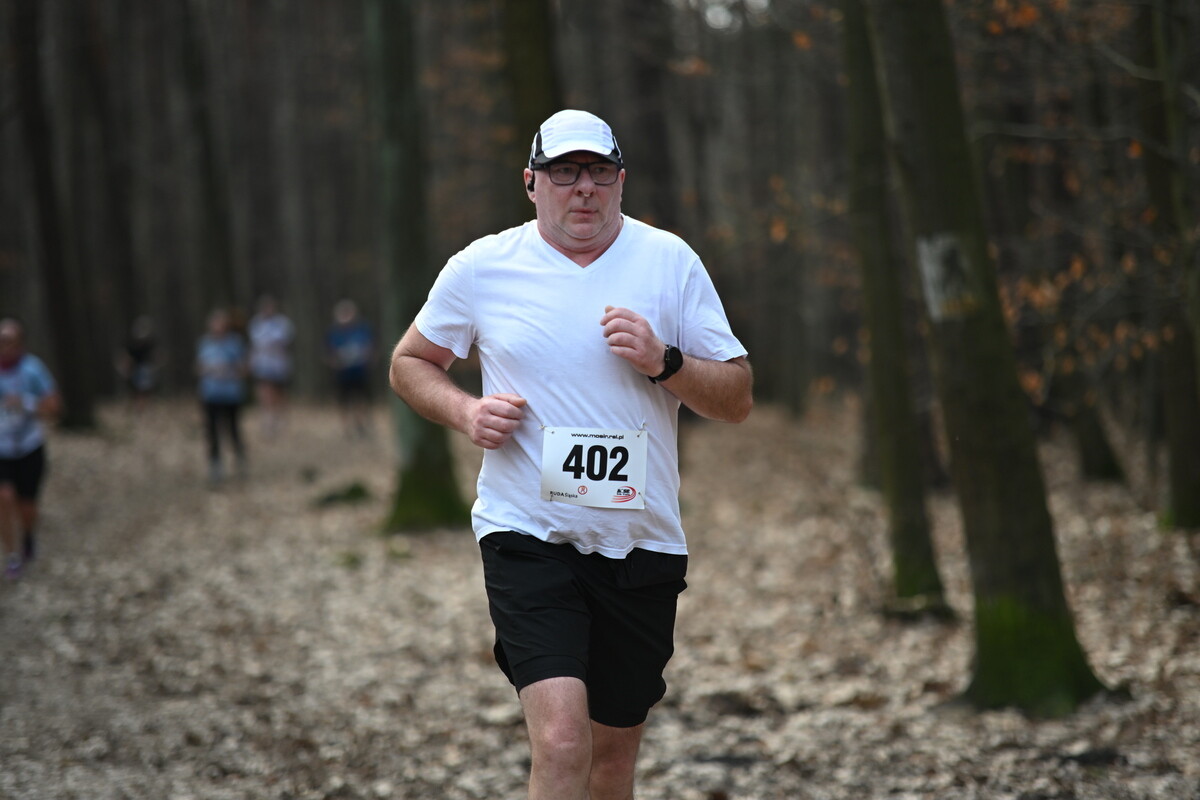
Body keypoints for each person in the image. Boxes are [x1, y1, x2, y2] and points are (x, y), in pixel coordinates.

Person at [389, 109, 752, 800]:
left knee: (610, 763)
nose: (583, 187)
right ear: (531, 183)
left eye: (598, 171)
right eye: (564, 172)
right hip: (527, 534)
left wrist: (666, 361)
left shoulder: (669, 261)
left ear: (622, 181)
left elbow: (736, 398)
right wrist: (466, 412)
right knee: (561, 742)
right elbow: (409, 362)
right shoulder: (483, 266)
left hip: (641, 542)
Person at [0, 318, 61, 579]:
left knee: (27, 506)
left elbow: (54, 407)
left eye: (9, 341)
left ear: (20, 344)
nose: (4, 346)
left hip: (29, 446)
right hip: (1, 449)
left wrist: (25, 403)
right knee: (4, 498)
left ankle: (27, 536)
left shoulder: (33, 369)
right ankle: (12, 556)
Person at [196, 308, 248, 486]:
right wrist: (209, 369)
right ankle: (215, 465)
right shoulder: (204, 343)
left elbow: (244, 368)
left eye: (221, 323)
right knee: (212, 432)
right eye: (215, 323)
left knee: (233, 429)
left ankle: (240, 459)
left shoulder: (235, 343)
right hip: (210, 394)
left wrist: (229, 369)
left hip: (231, 394)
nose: (217, 327)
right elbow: (199, 367)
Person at [324, 299, 375, 437]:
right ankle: (346, 428)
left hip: (359, 371)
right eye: (343, 314)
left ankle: (360, 424)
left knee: (361, 399)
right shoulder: (333, 333)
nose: (346, 317)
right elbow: (328, 353)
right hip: (342, 373)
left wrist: (366, 358)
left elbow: (370, 348)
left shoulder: (362, 330)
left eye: (349, 313)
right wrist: (336, 362)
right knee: (343, 401)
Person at [247, 295, 295, 439]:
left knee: (279, 394)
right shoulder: (255, 324)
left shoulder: (282, 323)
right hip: (262, 364)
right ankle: (267, 421)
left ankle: (280, 419)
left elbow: (285, 342)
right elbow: (254, 346)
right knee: (265, 392)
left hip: (279, 365)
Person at [115, 315, 159, 413]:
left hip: (145, 369)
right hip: (137, 369)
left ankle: (143, 408)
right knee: (139, 390)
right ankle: (139, 408)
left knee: (145, 390)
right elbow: (126, 357)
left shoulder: (149, 343)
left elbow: (154, 356)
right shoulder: (132, 345)